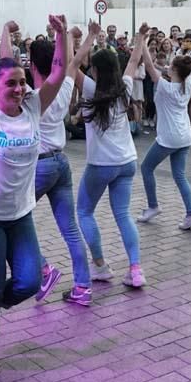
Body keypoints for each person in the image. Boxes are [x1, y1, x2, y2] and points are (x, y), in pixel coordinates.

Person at [0, 6, 67, 375]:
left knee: (29, 281)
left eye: (22, 82)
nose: (20, 89)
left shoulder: (33, 106)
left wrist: (61, 35)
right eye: (11, 84)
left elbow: (59, 72)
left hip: (19, 215)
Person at [0, 18, 92, 306]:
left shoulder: (31, 98)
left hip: (38, 166)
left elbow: (4, 63)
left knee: (7, 221)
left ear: (32, 67)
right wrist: (67, 36)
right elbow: (71, 62)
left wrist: (5, 32)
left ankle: (43, 269)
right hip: (60, 163)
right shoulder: (63, 86)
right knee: (71, 228)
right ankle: (83, 287)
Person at [76, 28, 147, 289]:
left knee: (84, 211)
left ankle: (100, 266)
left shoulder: (92, 88)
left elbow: (72, 66)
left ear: (96, 70)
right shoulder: (124, 87)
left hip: (101, 164)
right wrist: (140, 39)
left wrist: (88, 38)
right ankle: (136, 269)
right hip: (127, 161)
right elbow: (133, 60)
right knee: (123, 215)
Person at [137, 25, 191, 230]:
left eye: (171, 66)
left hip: (169, 137)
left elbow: (148, 64)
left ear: (174, 71)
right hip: (185, 136)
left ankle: (153, 206)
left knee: (146, 168)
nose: (167, 67)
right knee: (180, 175)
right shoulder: (187, 83)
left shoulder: (165, 86)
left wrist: (143, 40)